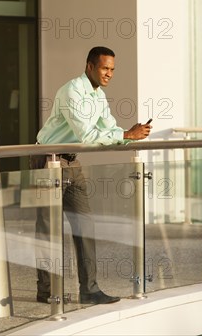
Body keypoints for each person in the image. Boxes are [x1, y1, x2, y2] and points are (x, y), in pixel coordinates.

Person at [32, 46, 152, 305]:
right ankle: (46, 290)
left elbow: (109, 129)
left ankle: (89, 290)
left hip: (72, 163)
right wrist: (124, 136)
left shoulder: (98, 96)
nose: (109, 74)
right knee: (48, 229)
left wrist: (130, 134)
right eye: (104, 68)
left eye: (112, 70)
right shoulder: (72, 91)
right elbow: (87, 136)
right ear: (90, 66)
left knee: (85, 225)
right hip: (49, 161)